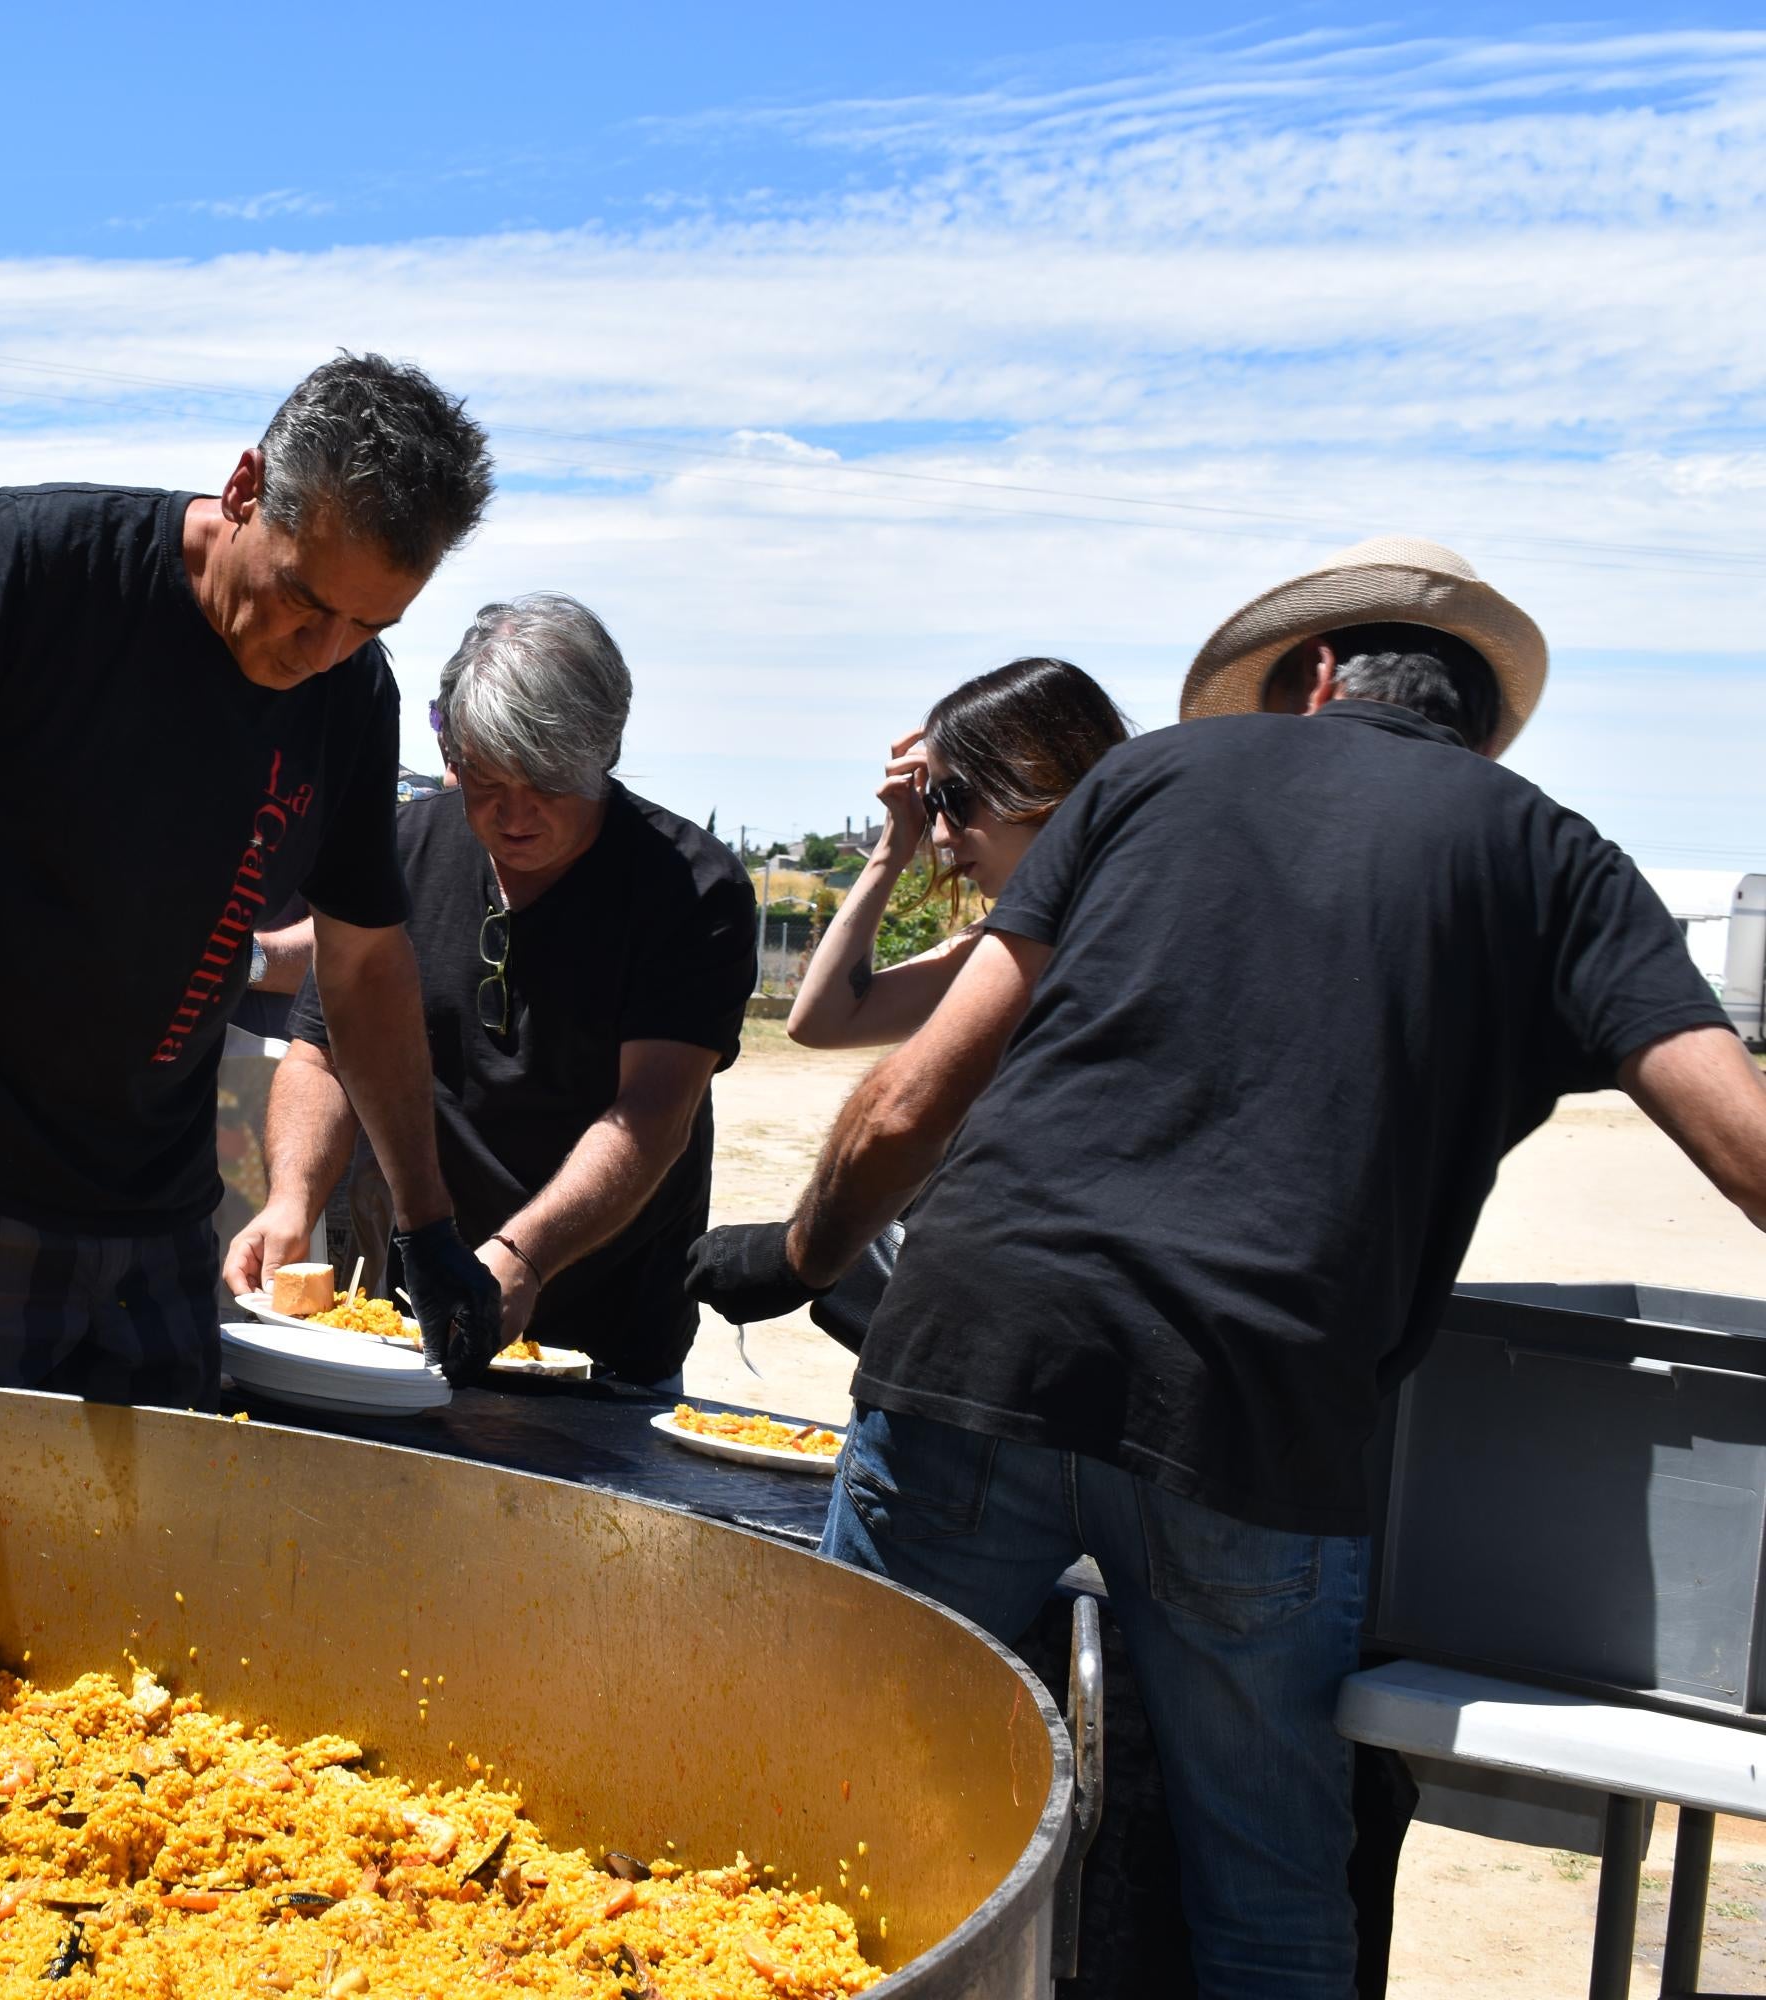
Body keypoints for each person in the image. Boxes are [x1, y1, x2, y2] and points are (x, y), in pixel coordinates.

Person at [686, 537, 1766, 1997]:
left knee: (844, 1816)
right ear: (1468, 719)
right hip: (1256, 1420)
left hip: (983, 1350)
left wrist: (792, 1248)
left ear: (1314, 678)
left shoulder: (1150, 781)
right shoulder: (1554, 855)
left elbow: (906, 1096)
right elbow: (1743, 1145)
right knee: (1264, 1897)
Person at [0, 353, 508, 1404]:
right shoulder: (34, 571)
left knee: (139, 1562)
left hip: (155, 1216)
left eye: (369, 626)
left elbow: (365, 965)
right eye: (303, 600)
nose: (322, 651)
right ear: (244, 490)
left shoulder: (348, 694)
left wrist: (427, 1221)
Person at [226, 595, 757, 1384]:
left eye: (545, 781)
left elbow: (650, 1114)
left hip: (609, 1348)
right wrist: (292, 1202)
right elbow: (322, 1054)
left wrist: (523, 1257)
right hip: (421, 1322)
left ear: (603, 748)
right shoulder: (402, 848)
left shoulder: (692, 887)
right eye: (483, 775)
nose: (513, 813)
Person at [786, 658, 1128, 1048]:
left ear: (1043, 773)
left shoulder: (1158, 916)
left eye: (957, 798)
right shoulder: (1013, 941)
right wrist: (889, 851)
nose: (941, 837)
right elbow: (821, 1023)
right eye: (933, 807)